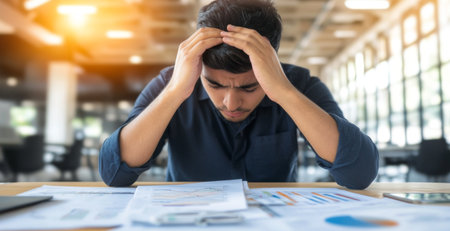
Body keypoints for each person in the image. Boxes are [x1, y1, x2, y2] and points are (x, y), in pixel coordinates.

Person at [99, 0, 378, 189]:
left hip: (275, 230)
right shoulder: (171, 83)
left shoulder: (298, 84)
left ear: (270, 63)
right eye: (215, 85)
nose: (230, 103)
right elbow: (114, 174)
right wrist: (174, 93)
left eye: (249, 87)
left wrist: (281, 91)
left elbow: (359, 173)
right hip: (189, 226)